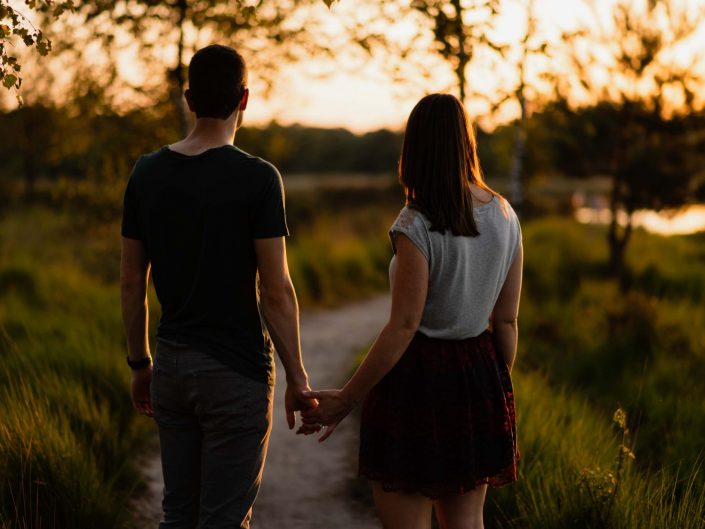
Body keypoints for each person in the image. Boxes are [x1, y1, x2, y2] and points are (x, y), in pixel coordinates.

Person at [300, 93, 523, 529]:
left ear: (415, 147)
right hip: (479, 374)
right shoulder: (505, 214)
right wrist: (493, 388)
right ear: (466, 143)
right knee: (466, 523)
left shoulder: (415, 222)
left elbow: (404, 325)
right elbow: (507, 321)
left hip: (415, 382)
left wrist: (346, 400)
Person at [119, 44, 315, 529]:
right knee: (224, 520)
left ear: (188, 98)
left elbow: (130, 282)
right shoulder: (259, 179)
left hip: (172, 366)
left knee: (178, 514)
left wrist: (140, 363)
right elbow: (277, 291)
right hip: (237, 371)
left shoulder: (146, 172)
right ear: (244, 99)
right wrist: (298, 378)